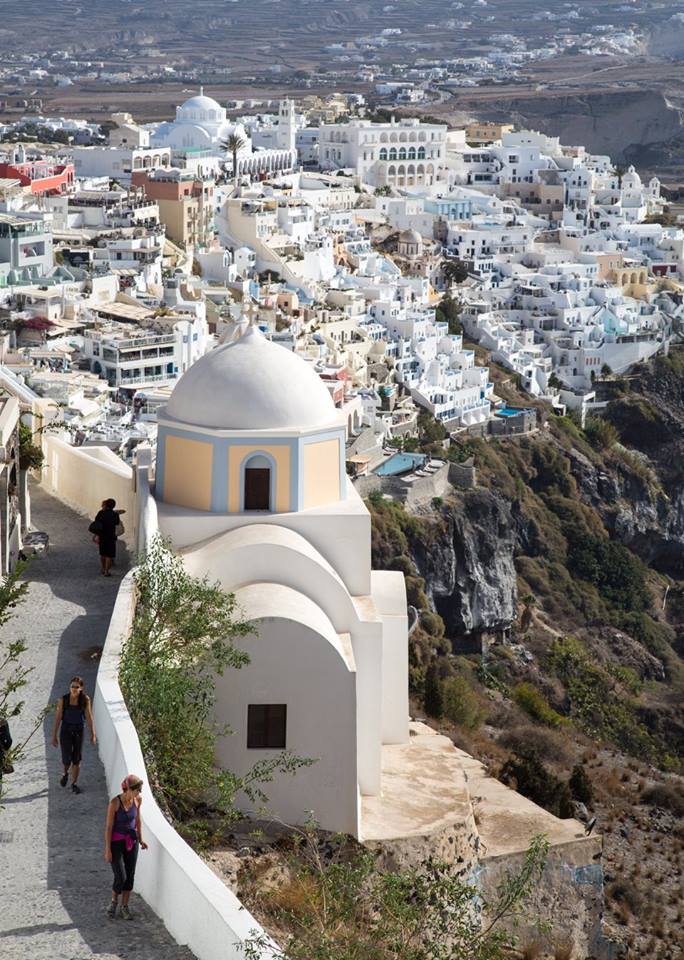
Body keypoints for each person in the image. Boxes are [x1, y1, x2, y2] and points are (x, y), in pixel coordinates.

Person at [104, 774, 148, 919]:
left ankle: (125, 906)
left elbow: (137, 821)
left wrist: (141, 839)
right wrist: (107, 849)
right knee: (120, 876)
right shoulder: (115, 803)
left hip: (132, 842)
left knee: (130, 876)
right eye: (138, 790)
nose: (139, 793)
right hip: (116, 843)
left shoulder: (137, 800)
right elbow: (109, 827)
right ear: (129, 789)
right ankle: (114, 901)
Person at [51, 676, 96, 794]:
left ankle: (74, 783)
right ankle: (65, 773)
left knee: (76, 759)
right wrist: (54, 735)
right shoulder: (63, 700)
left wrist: (93, 734)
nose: (74, 689)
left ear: (81, 688)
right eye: (72, 686)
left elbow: (89, 717)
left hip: (78, 731)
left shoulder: (85, 700)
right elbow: (58, 717)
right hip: (65, 731)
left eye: (77, 687)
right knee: (67, 759)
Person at [91, 498, 125, 577]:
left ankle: (103, 568)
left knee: (103, 554)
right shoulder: (115, 514)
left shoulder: (101, 513)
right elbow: (117, 522)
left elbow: (96, 521)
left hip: (102, 536)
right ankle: (106, 571)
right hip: (111, 536)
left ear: (106, 505)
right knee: (109, 555)